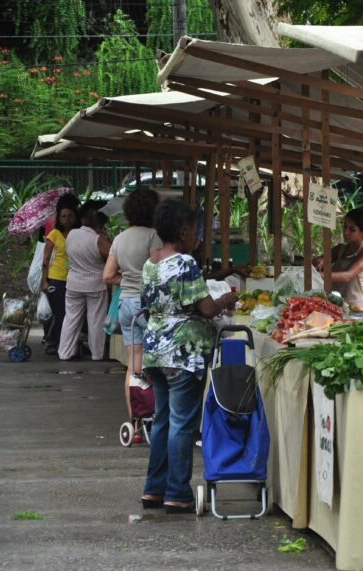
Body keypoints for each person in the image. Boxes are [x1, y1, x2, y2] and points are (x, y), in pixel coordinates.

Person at [139, 200, 237, 514]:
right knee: (182, 424)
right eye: (195, 230)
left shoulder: (150, 263)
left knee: (163, 421)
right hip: (184, 352)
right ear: (183, 232)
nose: (197, 236)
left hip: (155, 349)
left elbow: (152, 302)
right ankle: (177, 493)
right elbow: (206, 308)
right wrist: (227, 298)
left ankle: (154, 489)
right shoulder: (185, 263)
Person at [102, 188, 162, 435]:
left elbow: (107, 276)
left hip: (125, 305)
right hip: (147, 306)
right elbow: (158, 272)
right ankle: (154, 419)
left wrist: (128, 279)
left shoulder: (119, 239)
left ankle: (135, 423)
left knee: (133, 365)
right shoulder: (154, 237)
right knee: (154, 364)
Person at [57, 207, 111, 361]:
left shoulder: (72, 234)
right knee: (95, 320)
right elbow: (113, 256)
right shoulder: (98, 239)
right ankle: (97, 354)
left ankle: (65, 352)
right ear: (98, 226)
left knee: (71, 319)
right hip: (95, 285)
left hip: (73, 283)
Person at [41, 194, 81, 355]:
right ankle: (52, 340)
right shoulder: (54, 235)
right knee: (60, 313)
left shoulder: (79, 234)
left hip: (73, 279)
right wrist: (44, 281)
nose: (66, 219)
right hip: (56, 280)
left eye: (70, 216)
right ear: (59, 218)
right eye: (63, 216)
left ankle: (65, 342)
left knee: (71, 314)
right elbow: (45, 259)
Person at [317, 207, 363, 311]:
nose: (346, 232)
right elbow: (322, 259)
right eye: (345, 227)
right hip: (335, 304)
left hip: (355, 309)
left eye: (352, 229)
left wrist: (320, 275)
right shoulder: (340, 249)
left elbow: (348, 276)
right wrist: (320, 260)